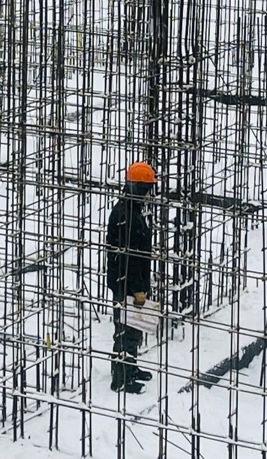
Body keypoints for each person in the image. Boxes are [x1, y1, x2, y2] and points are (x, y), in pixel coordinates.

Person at [105, 160, 156, 394]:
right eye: (146, 189)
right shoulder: (125, 215)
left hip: (131, 282)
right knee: (125, 330)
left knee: (133, 328)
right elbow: (130, 258)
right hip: (125, 283)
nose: (148, 194)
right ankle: (121, 379)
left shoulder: (132, 210)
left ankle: (131, 367)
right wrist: (137, 288)